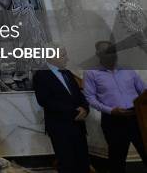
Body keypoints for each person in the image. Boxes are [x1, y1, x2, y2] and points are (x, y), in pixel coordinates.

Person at [84, 41, 147, 172]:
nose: (112, 56)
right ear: (98, 54)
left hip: (136, 118)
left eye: (114, 52)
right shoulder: (92, 73)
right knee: (117, 160)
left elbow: (143, 90)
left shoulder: (128, 69)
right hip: (113, 120)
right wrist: (111, 111)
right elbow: (90, 98)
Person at [33, 43, 90, 173]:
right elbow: (45, 101)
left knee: (83, 163)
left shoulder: (68, 73)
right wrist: (74, 111)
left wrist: (85, 108)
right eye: (63, 55)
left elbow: (80, 95)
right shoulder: (41, 75)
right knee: (67, 164)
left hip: (78, 126)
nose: (67, 58)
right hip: (60, 127)